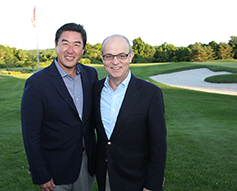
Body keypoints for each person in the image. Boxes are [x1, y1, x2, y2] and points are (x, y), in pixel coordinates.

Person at [21, 23, 98, 191]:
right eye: (65, 43)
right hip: (54, 171)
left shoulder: (90, 74)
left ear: (83, 50)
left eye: (76, 44)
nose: (70, 50)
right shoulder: (36, 83)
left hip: (86, 165)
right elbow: (31, 135)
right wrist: (41, 173)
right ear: (56, 46)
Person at [93, 35, 167, 191]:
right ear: (102, 58)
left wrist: (152, 185)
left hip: (137, 179)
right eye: (109, 56)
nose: (115, 62)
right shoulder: (95, 90)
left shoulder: (151, 94)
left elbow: (158, 145)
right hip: (106, 176)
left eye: (122, 56)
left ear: (131, 56)